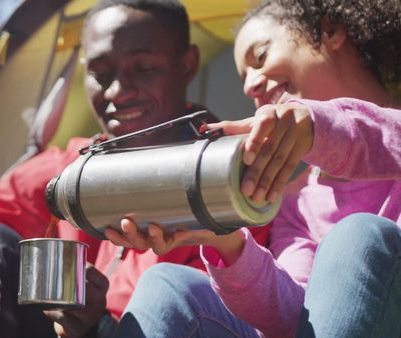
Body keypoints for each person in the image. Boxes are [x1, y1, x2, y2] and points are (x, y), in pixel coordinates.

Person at [0, 1, 270, 337]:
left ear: (187, 65)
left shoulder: (228, 178)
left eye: (143, 68)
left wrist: (99, 326)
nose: (116, 92)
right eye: (100, 73)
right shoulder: (75, 162)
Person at [104, 0, 401, 337]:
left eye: (260, 57)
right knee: (167, 284)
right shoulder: (296, 202)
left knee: (356, 235)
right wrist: (224, 238)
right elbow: (295, 319)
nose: (249, 87)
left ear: (331, 31)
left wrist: (320, 124)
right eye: (244, 80)